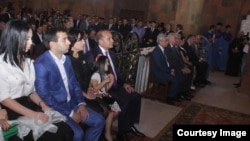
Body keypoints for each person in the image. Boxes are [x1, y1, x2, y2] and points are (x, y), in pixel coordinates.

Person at [0, 19, 73, 141]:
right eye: (27, 38)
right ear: (14, 38)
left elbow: (31, 90)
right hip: (11, 112)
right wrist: (34, 114)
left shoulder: (28, 61)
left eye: (31, 38)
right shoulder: (2, 64)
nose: (32, 42)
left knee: (65, 130)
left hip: (29, 106)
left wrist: (42, 104)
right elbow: (5, 99)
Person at [34, 27, 105, 141]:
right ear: (53, 44)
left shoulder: (66, 59)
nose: (68, 42)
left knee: (99, 121)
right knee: (77, 134)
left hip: (72, 103)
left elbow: (74, 83)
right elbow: (45, 96)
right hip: (57, 108)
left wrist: (81, 103)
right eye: (64, 39)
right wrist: (71, 113)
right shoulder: (41, 64)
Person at [86, 29, 145, 141]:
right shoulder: (92, 55)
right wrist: (103, 85)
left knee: (136, 96)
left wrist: (124, 83)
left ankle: (129, 125)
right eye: (109, 38)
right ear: (100, 41)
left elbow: (116, 72)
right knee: (125, 101)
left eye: (112, 38)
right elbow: (90, 77)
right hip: (105, 89)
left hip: (115, 85)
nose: (113, 40)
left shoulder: (111, 54)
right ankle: (121, 132)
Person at [90, 55, 121, 141]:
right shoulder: (96, 75)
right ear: (101, 64)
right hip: (98, 98)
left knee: (117, 111)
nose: (108, 64)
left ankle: (106, 126)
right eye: (107, 63)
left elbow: (105, 89)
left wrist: (110, 81)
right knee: (111, 113)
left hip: (105, 96)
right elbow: (95, 88)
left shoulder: (103, 74)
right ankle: (107, 133)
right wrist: (105, 81)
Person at [150, 33, 179, 105]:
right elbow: (160, 67)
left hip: (163, 71)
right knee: (176, 80)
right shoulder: (156, 52)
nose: (167, 42)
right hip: (158, 74)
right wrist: (170, 71)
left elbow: (167, 62)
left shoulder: (164, 49)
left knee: (178, 75)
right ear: (160, 42)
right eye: (166, 41)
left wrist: (171, 69)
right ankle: (169, 98)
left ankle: (174, 94)